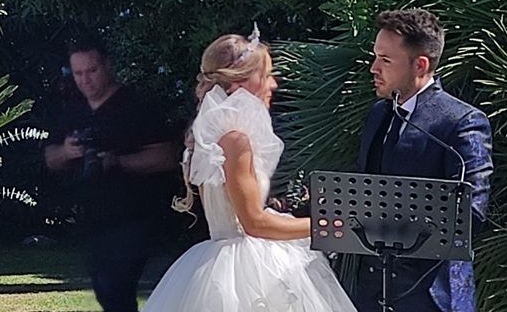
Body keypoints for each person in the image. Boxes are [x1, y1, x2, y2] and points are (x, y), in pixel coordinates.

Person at [142, 28, 356, 311]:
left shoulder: (215, 136)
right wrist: (327, 226)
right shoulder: (234, 140)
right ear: (238, 82)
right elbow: (254, 223)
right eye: (266, 75)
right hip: (249, 269)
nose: (273, 85)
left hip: (222, 259)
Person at [354, 9, 493, 312]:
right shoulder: (379, 114)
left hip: (431, 297)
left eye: (385, 60)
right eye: (375, 56)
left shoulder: (463, 122)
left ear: (420, 65)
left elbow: (472, 215)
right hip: (370, 295)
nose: (373, 68)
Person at [44, 37, 177, 312]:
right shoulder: (72, 110)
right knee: (106, 291)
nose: (85, 80)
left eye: (91, 71)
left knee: (118, 288)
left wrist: (118, 161)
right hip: (93, 218)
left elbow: (167, 156)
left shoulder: (135, 106)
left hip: (136, 216)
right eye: (78, 73)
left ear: (107, 65)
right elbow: (49, 158)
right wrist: (67, 152)